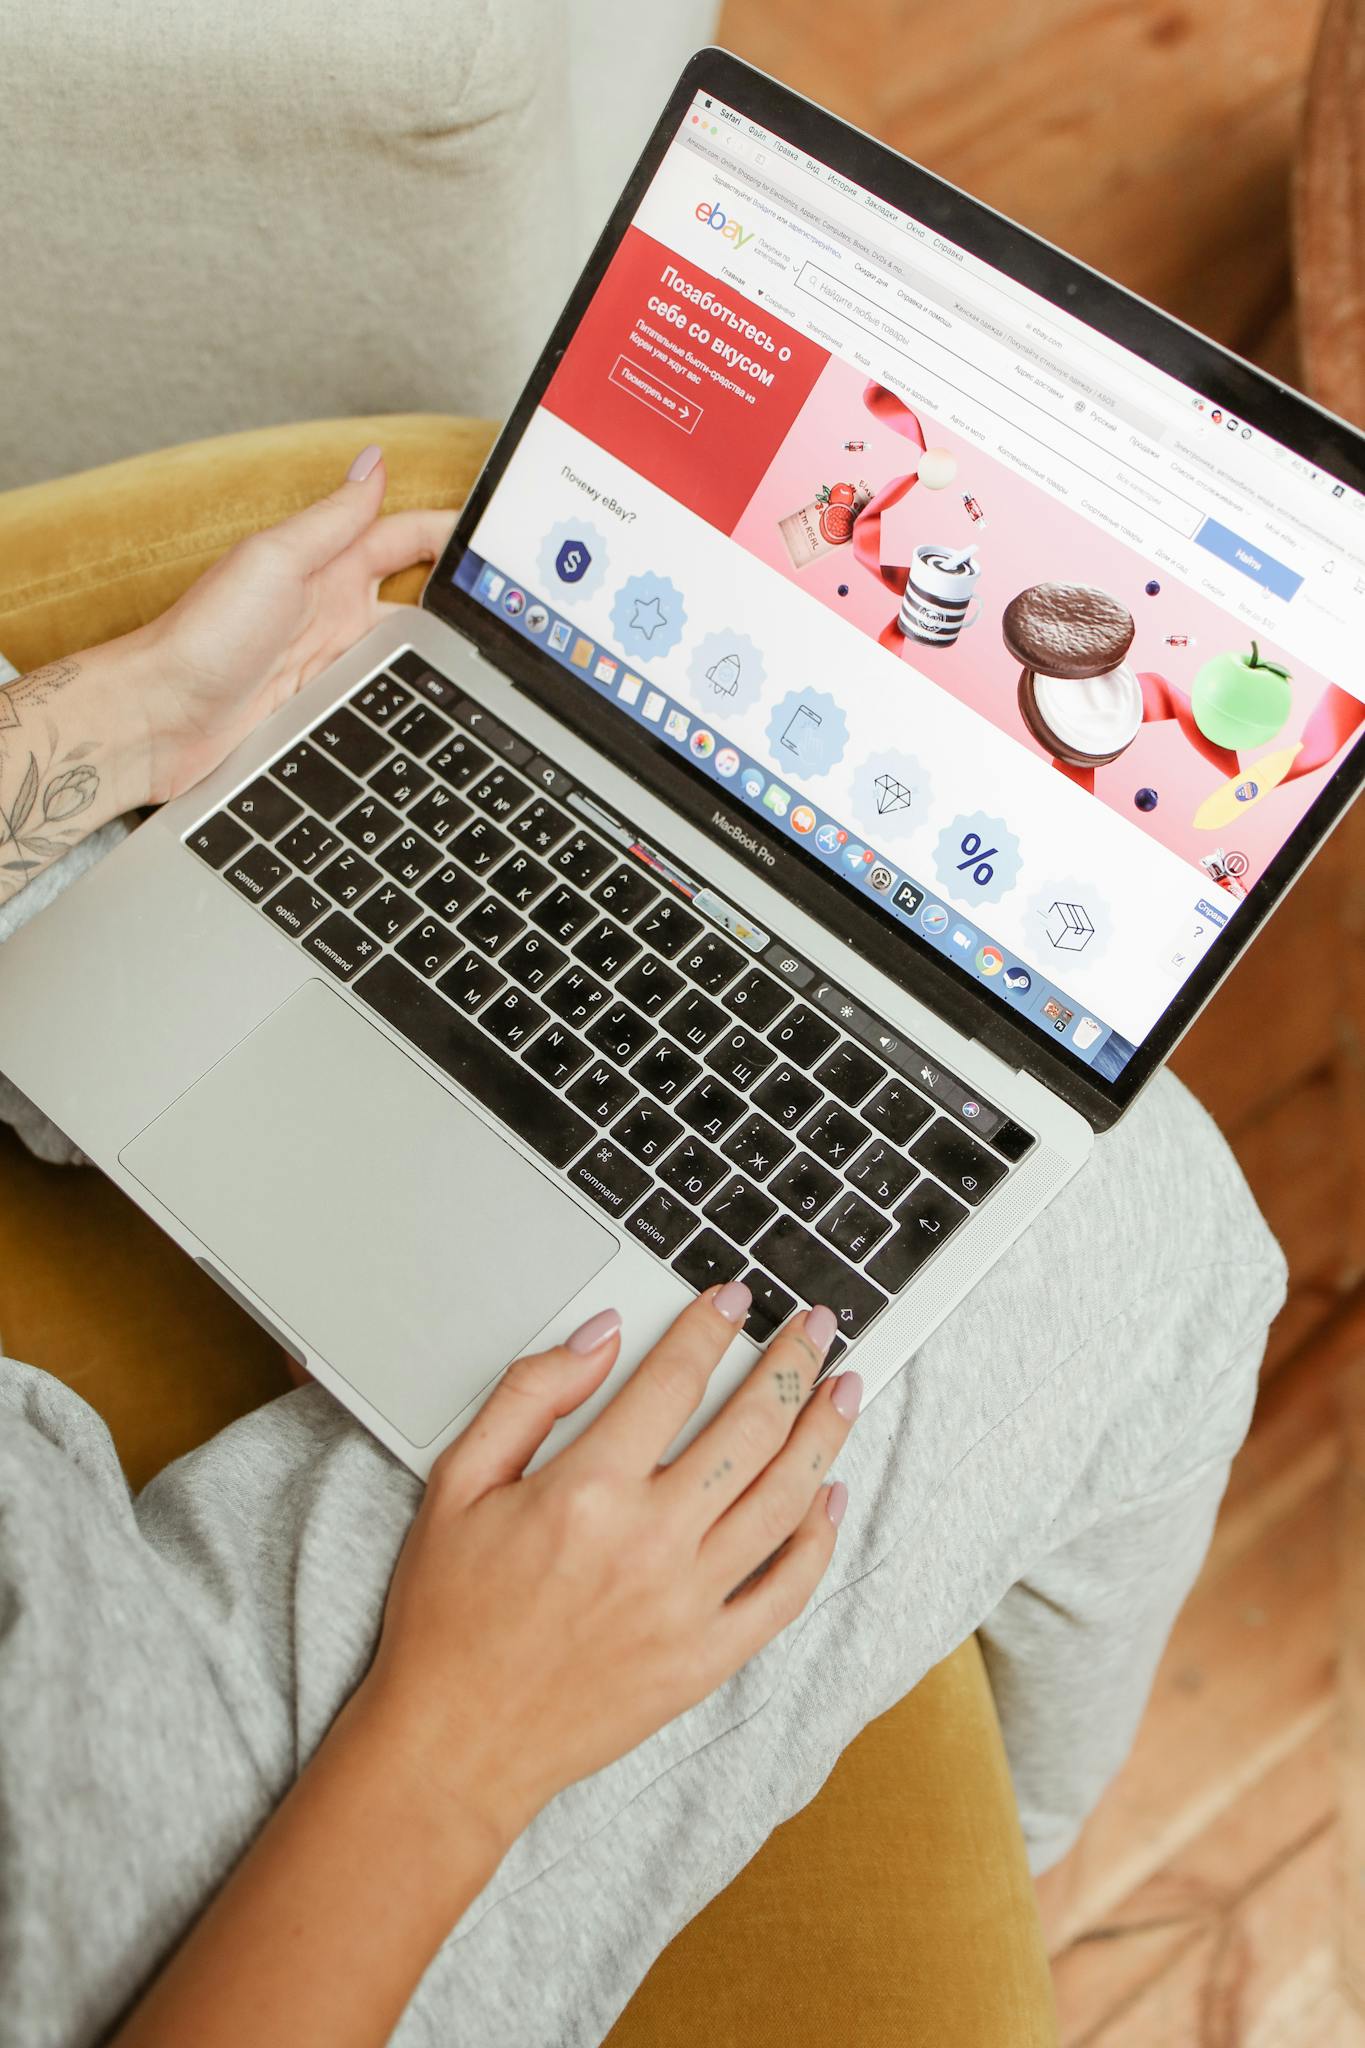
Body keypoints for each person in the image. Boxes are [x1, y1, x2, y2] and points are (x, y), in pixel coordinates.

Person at [0, 448, 1287, 2048]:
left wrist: (123, 721)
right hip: (176, 1904)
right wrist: (459, 1738)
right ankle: (1026, 1851)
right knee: (1142, 1206)